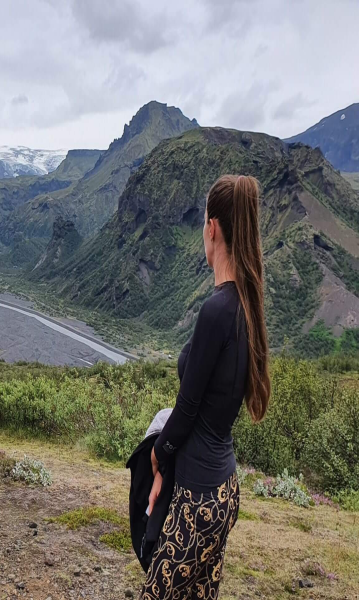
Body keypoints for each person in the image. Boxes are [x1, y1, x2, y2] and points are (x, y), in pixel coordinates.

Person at [140, 174, 271, 599]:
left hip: (199, 499)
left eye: (203, 224)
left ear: (212, 227)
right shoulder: (245, 306)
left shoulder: (217, 310)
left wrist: (157, 458)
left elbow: (188, 405)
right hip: (224, 489)